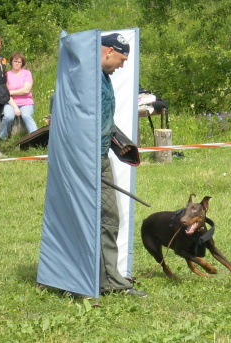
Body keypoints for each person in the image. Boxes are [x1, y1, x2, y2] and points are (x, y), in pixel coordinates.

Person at [98, 33, 146, 297]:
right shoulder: (89, 80)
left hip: (101, 155)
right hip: (90, 160)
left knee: (105, 218)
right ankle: (110, 283)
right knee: (107, 218)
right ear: (108, 52)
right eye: (121, 59)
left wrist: (120, 143)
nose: (123, 65)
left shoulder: (103, 78)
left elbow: (101, 120)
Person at [0, 52, 37, 140]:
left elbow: (26, 90)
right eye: (15, 61)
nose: (17, 63)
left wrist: (10, 92)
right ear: (11, 62)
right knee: (8, 116)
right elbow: (6, 95)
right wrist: (15, 107)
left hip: (26, 102)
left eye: (19, 62)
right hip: (10, 103)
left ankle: (35, 137)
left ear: (22, 63)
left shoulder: (27, 73)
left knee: (26, 116)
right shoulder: (6, 75)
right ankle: (2, 137)